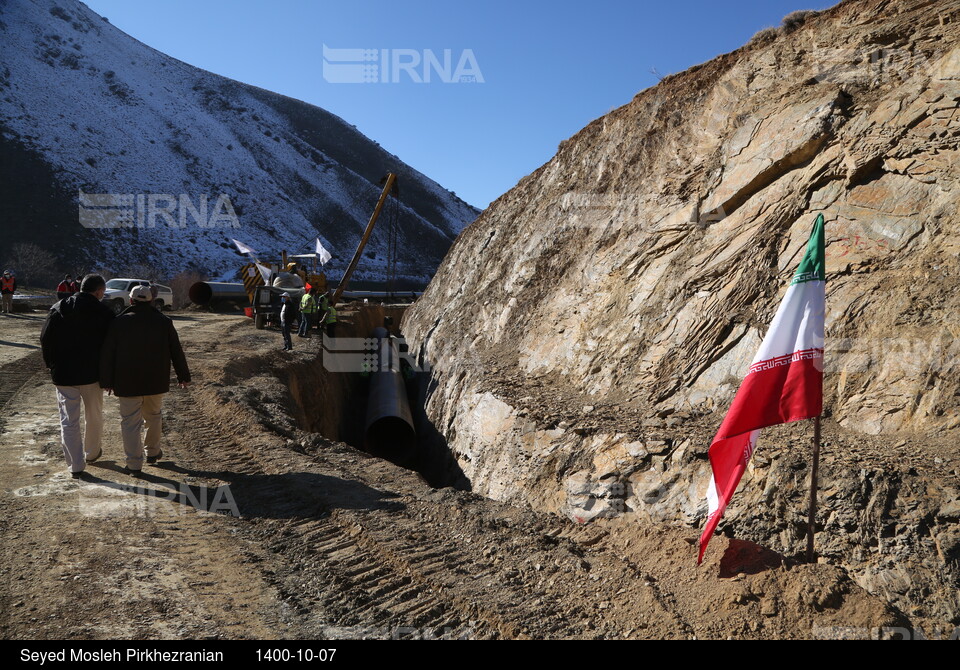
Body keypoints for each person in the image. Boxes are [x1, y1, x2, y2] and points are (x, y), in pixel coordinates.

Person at [100, 285, 191, 475]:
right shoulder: (164, 322)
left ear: (131, 300)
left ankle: (134, 464)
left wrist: (106, 381)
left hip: (126, 382)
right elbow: (176, 351)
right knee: (154, 416)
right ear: (151, 300)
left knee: (130, 423)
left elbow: (108, 353)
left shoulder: (118, 322)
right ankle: (153, 452)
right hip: (155, 381)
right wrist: (183, 376)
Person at [39, 274, 114, 478]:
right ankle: (92, 453)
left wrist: (50, 365)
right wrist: (110, 374)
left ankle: (76, 465)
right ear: (99, 291)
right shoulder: (105, 312)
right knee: (94, 415)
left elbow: (45, 339)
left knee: (68, 421)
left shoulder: (58, 307)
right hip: (93, 375)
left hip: (63, 375)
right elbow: (111, 346)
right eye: (103, 292)